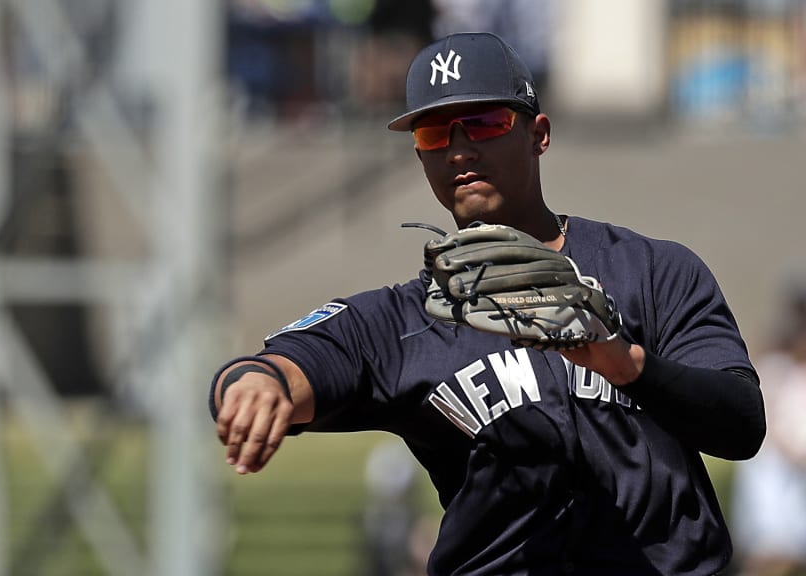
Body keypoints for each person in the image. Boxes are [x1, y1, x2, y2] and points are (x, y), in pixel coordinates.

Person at [209, 32, 765, 575]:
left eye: (483, 123)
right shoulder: (407, 321)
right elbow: (294, 361)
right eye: (432, 134)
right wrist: (258, 382)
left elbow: (741, 424)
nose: (458, 150)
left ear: (538, 134)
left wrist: (630, 367)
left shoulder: (652, 270)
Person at [730, 280, 806, 576]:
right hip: (776, 471)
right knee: (772, 549)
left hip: (796, 475)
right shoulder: (777, 367)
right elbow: (771, 419)